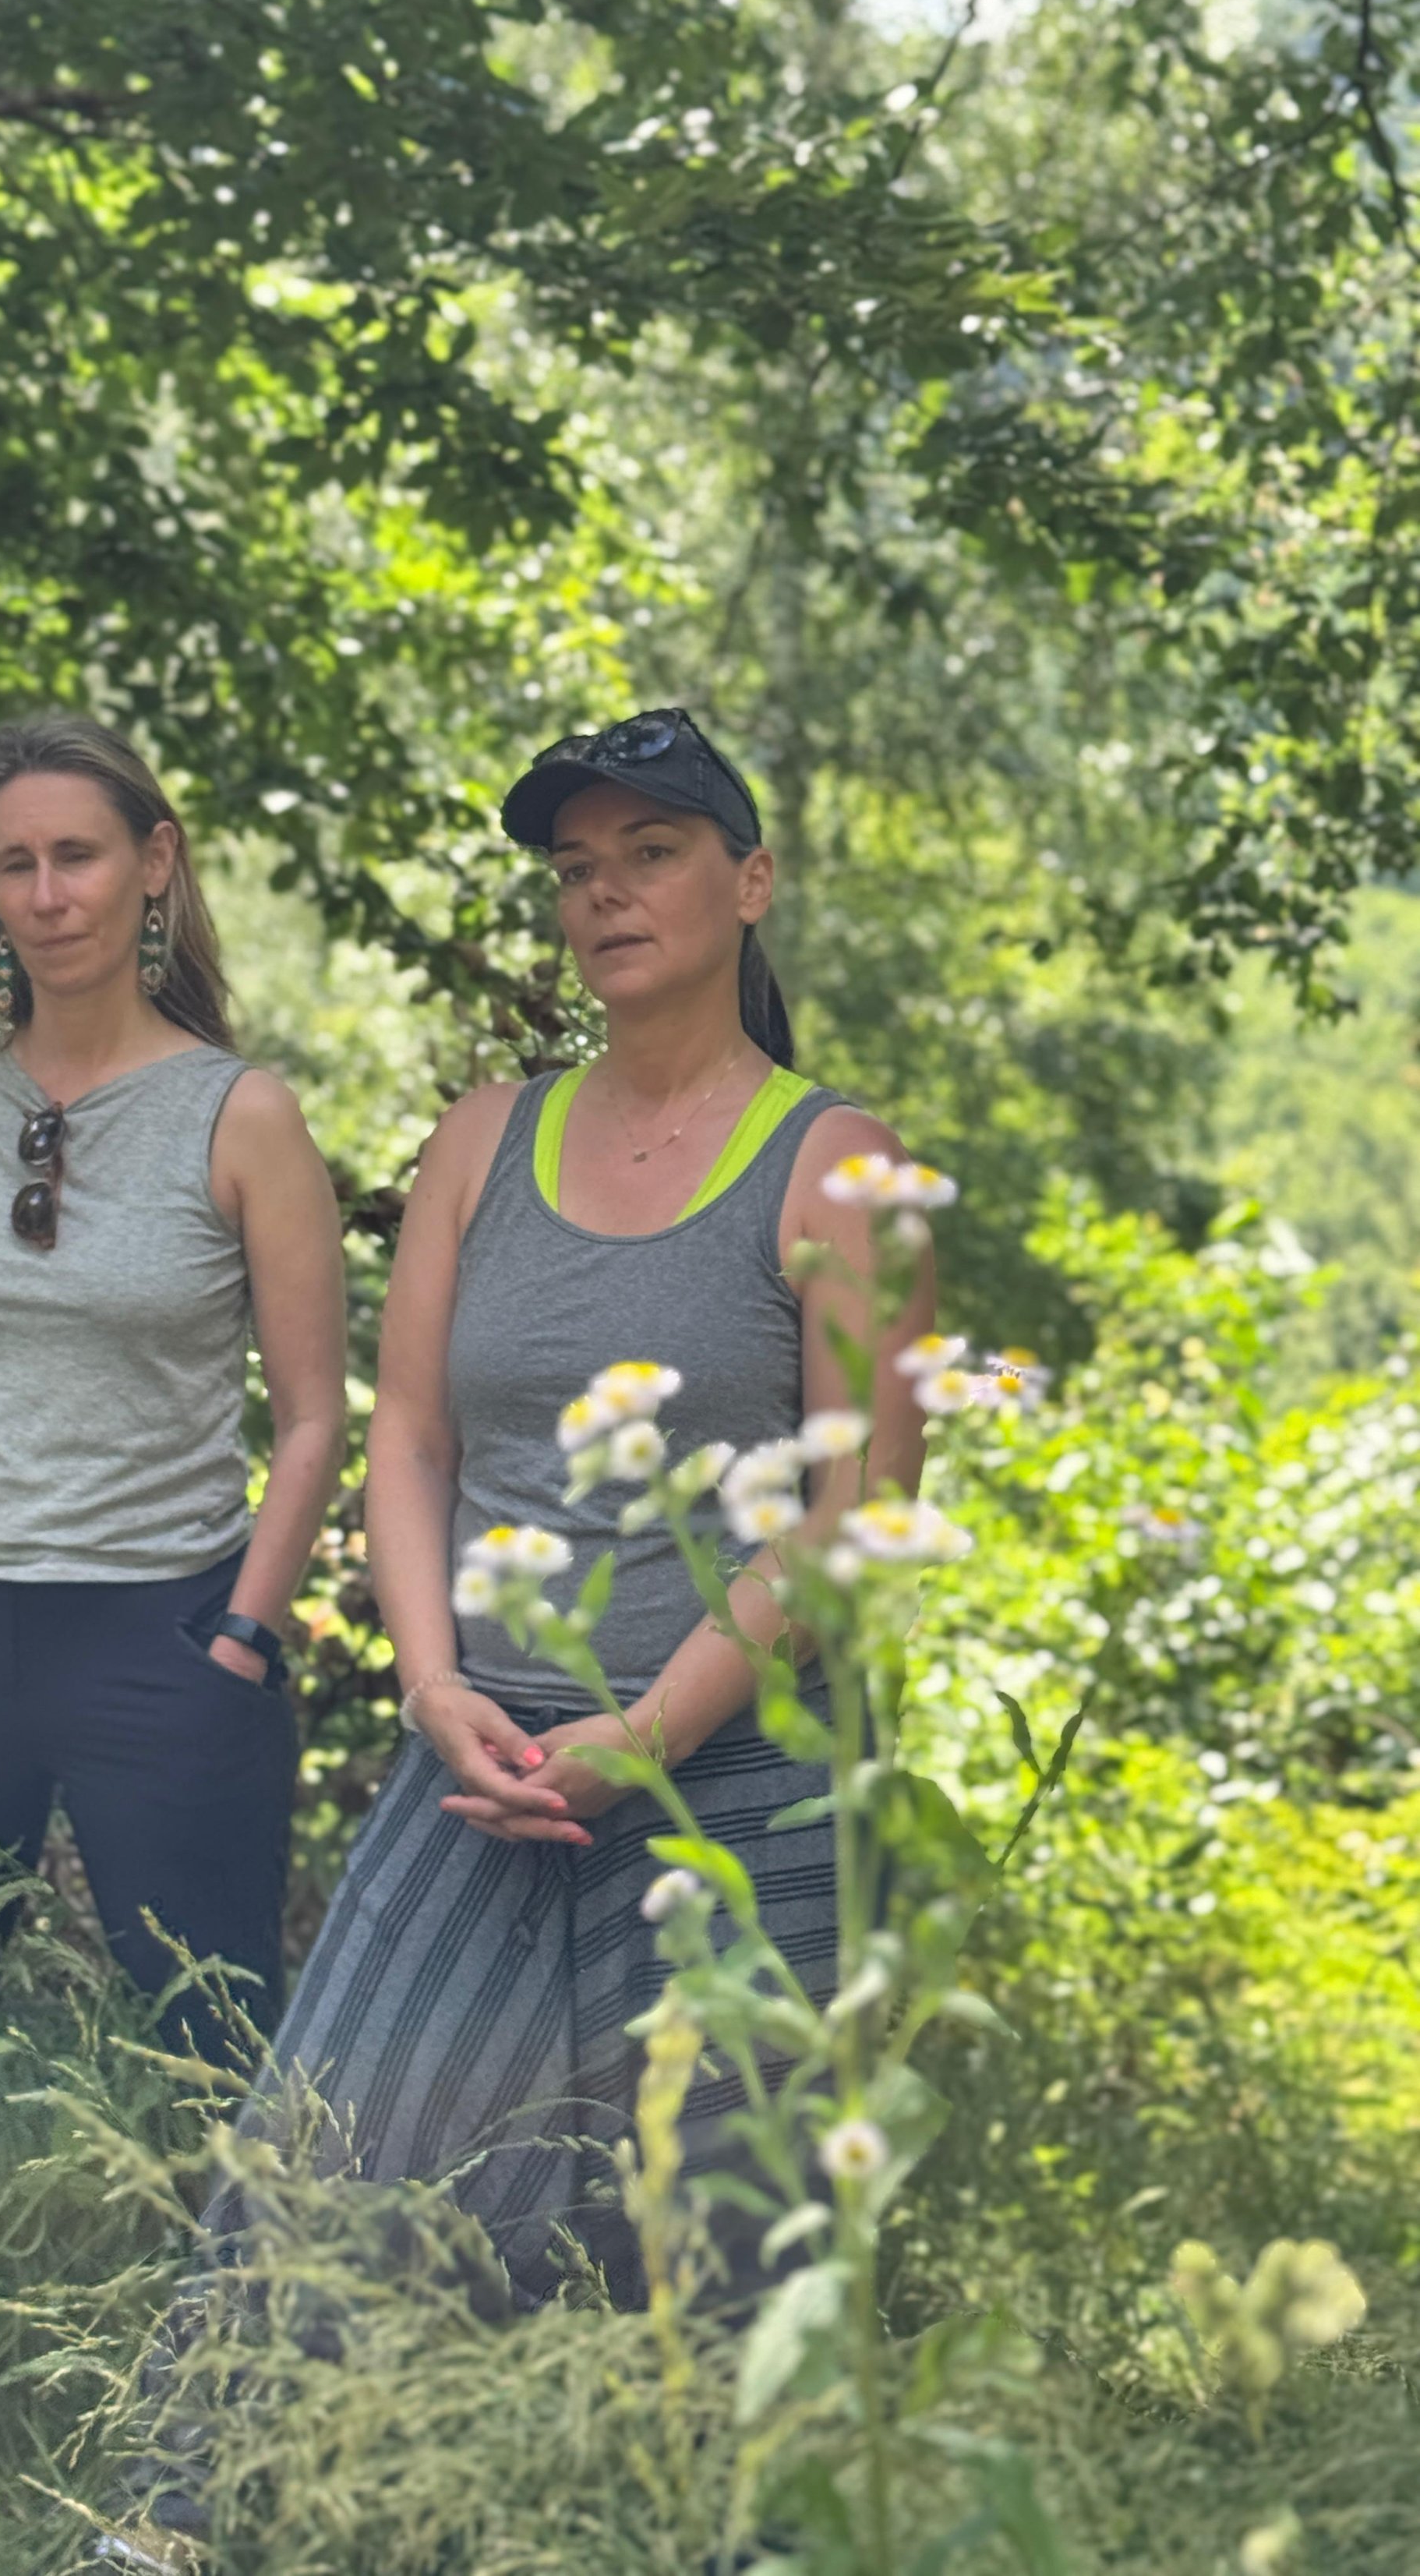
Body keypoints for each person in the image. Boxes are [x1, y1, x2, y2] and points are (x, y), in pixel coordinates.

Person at [251, 705, 935, 2306]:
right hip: (481, 1751)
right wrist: (432, 1685)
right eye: (574, 870)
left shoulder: (835, 1163)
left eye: (650, 853)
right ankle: (192, 2528)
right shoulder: (485, 1136)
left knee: (716, 2253)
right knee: (332, 2167)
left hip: (741, 1768)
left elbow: (855, 1504)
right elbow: (407, 1435)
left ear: (749, 880)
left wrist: (651, 1732)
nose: (602, 895)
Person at [0, 716, 347, 2065]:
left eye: (78, 856)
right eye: (15, 865)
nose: (49, 896)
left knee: (211, 2049)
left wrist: (242, 1640)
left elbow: (316, 1415)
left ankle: (235, 2284)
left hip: (162, 1633)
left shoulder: (243, 1115)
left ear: (153, 862)